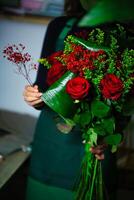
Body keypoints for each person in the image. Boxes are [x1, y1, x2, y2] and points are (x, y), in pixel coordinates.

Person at [23, 0, 121, 199]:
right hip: (52, 141)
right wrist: (32, 97)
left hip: (97, 143)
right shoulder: (59, 26)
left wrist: (106, 136)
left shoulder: (123, 31)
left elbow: (125, 101)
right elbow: (41, 89)